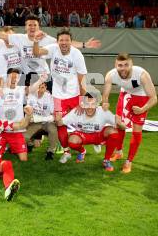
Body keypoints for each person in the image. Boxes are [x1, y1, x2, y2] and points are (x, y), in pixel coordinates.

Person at [33, 29, 88, 163]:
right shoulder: (53, 49)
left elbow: (82, 79)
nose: (64, 43)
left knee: (79, 123)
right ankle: (67, 151)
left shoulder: (77, 55)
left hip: (74, 94)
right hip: (58, 96)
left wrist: (82, 100)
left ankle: (82, 148)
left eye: (66, 40)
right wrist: (35, 41)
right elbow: (37, 52)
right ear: (57, 42)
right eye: (61, 40)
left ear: (71, 42)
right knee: (60, 123)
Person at [102, 53, 157, 173]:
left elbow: (154, 98)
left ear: (132, 64)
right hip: (125, 95)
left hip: (142, 98)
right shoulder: (111, 75)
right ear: (115, 65)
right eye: (120, 65)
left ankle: (129, 161)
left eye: (126, 65)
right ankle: (119, 152)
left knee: (136, 131)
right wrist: (105, 102)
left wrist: (143, 109)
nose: (123, 68)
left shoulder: (142, 75)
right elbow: (105, 94)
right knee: (119, 125)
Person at [55, 94, 125, 171]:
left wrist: (120, 124)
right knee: (72, 141)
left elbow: (122, 127)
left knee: (113, 132)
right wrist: (58, 119)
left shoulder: (103, 111)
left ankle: (106, 160)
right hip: (83, 135)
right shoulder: (77, 111)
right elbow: (60, 123)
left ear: (97, 105)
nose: (90, 107)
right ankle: (82, 151)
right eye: (87, 104)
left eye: (93, 104)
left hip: (98, 134)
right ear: (83, 104)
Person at [0, 69, 28, 161]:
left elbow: (32, 92)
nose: (13, 78)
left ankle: (11, 147)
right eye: (11, 76)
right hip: (1, 131)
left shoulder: (22, 89)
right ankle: (5, 146)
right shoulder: (0, 90)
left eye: (16, 77)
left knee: (24, 159)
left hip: (16, 130)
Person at [25, 74, 58, 160]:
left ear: (46, 88)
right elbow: (28, 111)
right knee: (24, 137)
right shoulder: (30, 96)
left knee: (53, 131)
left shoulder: (50, 98)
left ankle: (50, 151)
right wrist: (31, 119)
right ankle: (30, 145)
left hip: (47, 123)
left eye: (43, 87)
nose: (40, 89)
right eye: (39, 87)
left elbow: (52, 116)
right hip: (35, 123)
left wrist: (37, 118)